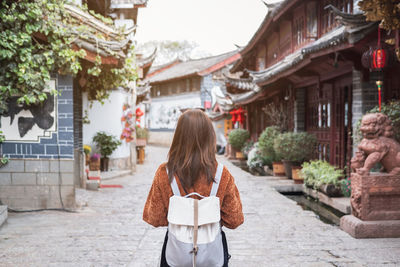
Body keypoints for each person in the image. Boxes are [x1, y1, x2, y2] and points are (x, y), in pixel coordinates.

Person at [143, 109, 244, 267]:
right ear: (210, 136)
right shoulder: (222, 174)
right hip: (212, 255)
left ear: (178, 137)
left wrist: (180, 215)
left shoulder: (165, 173)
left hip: (176, 254)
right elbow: (235, 219)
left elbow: (154, 218)